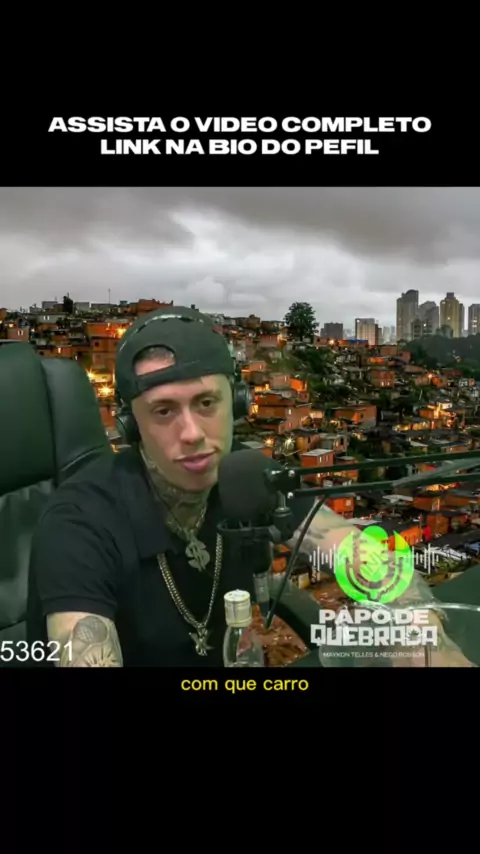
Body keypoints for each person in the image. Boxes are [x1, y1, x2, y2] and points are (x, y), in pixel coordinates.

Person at [26, 306, 473, 667]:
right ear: (131, 425)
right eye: (163, 411)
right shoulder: (79, 523)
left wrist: (425, 642)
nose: (191, 434)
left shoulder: (245, 477)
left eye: (206, 403)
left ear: (238, 404)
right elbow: (82, 644)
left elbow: (352, 549)